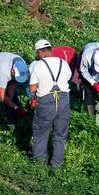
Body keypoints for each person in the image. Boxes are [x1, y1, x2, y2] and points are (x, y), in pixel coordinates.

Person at [28, 40, 73, 173]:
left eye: (37, 53)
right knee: (60, 135)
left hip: (46, 102)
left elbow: (32, 89)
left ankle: (40, 167)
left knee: (41, 134)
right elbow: (68, 78)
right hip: (64, 100)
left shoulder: (38, 65)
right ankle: (56, 167)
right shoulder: (63, 63)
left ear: (41, 52)